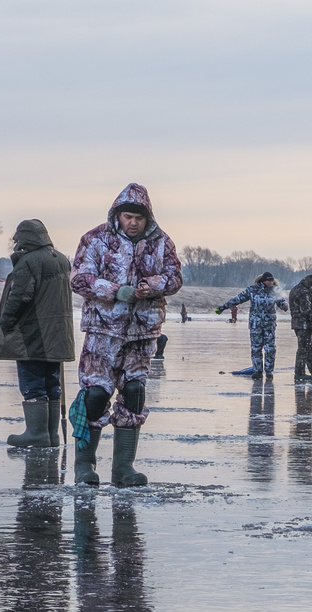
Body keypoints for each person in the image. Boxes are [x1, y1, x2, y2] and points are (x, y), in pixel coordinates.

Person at [68, 183, 183, 487]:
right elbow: (79, 279)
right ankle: (84, 466)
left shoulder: (161, 242)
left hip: (142, 332)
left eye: (139, 218)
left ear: (148, 219)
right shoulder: (95, 239)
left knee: (133, 392)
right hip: (102, 330)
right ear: (118, 215)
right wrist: (116, 291)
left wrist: (153, 285)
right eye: (128, 217)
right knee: (95, 395)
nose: (133, 222)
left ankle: (123, 468)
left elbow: (175, 278)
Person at [0, 219, 75, 448]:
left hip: (34, 333)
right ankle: (50, 434)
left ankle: (37, 434)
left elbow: (20, 296)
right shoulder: (62, 259)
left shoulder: (29, 262)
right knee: (51, 382)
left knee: (33, 382)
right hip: (58, 334)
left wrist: (7, 322)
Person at [214, 271, 288, 378]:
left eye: (272, 280)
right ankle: (257, 371)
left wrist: (284, 305)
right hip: (255, 325)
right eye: (268, 280)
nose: (271, 282)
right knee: (256, 348)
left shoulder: (275, 291)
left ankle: (269, 372)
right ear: (263, 280)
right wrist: (223, 307)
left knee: (270, 349)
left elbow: (281, 301)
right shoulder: (253, 290)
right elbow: (238, 299)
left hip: (269, 325)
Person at [289, 274, 312, 383]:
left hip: (299, 324)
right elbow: (306, 310)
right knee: (303, 349)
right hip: (303, 324)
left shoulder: (296, 289)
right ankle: (299, 373)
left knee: (308, 348)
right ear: (311, 284)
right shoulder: (303, 292)